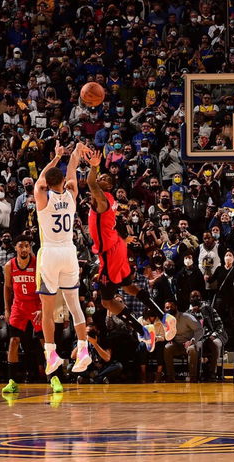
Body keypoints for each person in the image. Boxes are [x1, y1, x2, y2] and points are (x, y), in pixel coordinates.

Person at [86, 147, 174, 349]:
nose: (100, 178)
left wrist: (93, 168)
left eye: (104, 178)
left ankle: (143, 330)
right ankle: (163, 318)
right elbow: (114, 224)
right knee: (128, 287)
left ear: (109, 185)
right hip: (116, 247)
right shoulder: (109, 201)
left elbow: (90, 183)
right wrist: (123, 240)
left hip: (109, 251)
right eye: (101, 176)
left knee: (107, 301)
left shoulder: (103, 198)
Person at [34, 141, 91, 387]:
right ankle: (84, 348)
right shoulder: (71, 195)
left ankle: (52, 354)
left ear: (48, 182)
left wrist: (56, 157)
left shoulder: (42, 197)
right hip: (70, 251)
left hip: (50, 254)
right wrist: (75, 154)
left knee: (47, 310)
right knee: (74, 305)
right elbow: (72, 173)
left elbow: (39, 181)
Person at [2, 234, 41, 393]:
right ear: (15, 247)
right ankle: (12, 382)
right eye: (21, 246)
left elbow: (45, 285)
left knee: (45, 343)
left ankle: (54, 377)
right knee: (13, 342)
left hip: (36, 304)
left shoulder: (38, 263)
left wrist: (43, 308)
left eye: (27, 245)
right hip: (19, 305)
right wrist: (6, 308)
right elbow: (7, 288)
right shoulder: (9, 265)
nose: (24, 249)